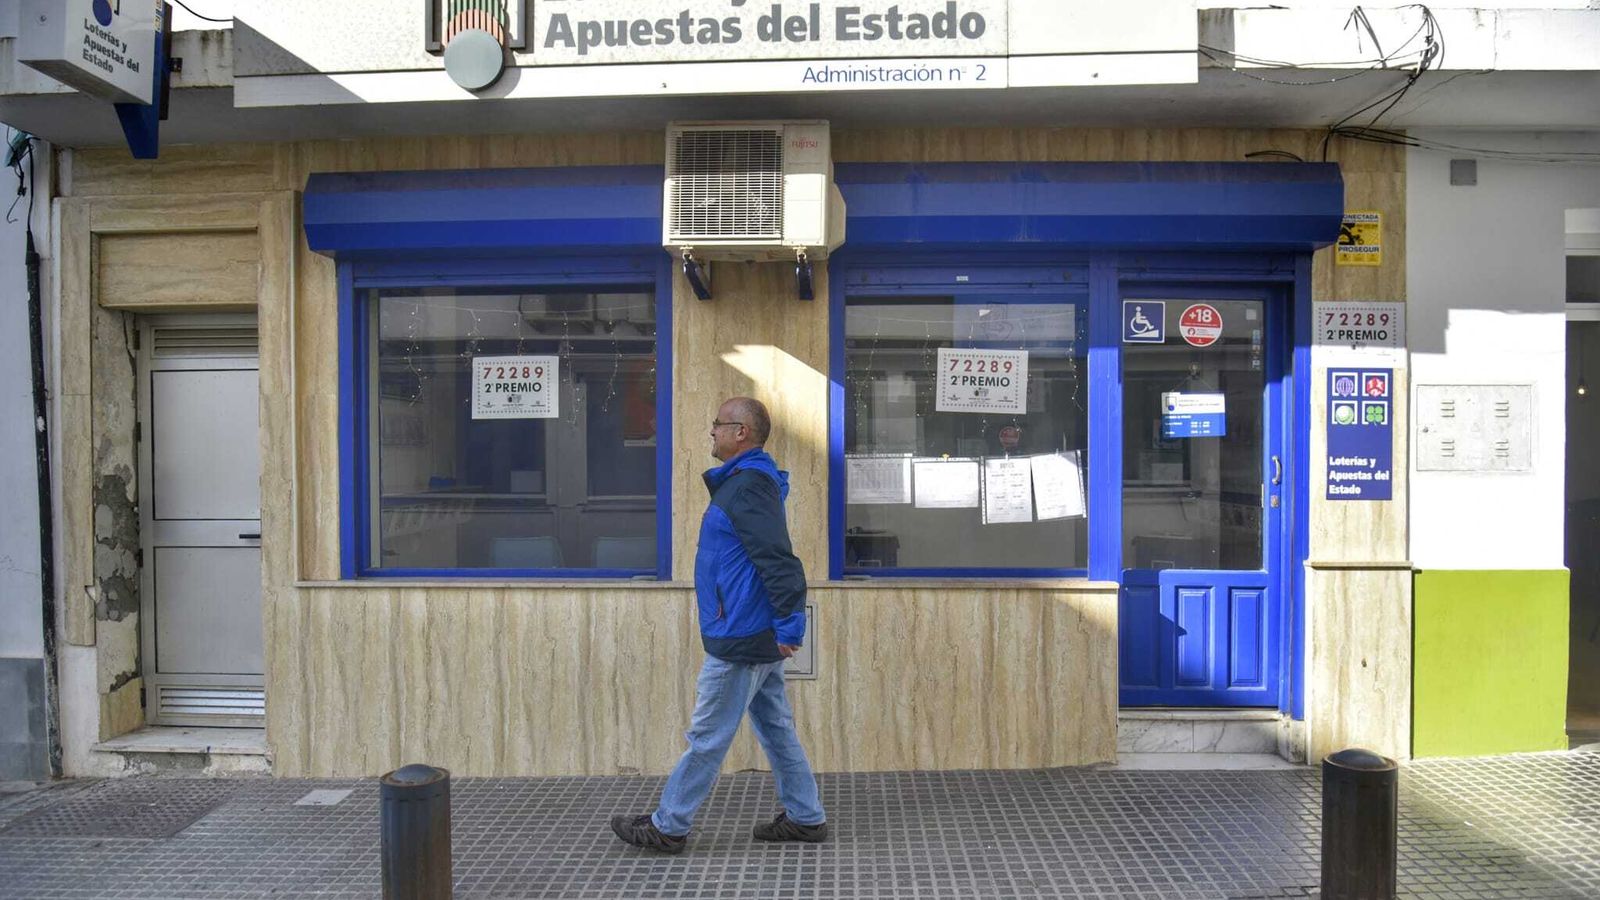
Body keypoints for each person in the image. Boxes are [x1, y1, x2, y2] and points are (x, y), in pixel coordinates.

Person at [610, 396, 827, 854]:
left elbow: (779, 561)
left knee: (707, 736)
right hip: (751, 631)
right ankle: (806, 817)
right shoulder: (744, 484)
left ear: (741, 433)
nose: (711, 431)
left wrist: (790, 627)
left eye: (718, 424)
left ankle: (669, 826)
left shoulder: (748, 487)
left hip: (742, 637)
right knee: (776, 728)